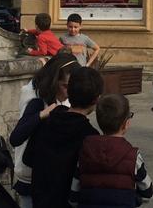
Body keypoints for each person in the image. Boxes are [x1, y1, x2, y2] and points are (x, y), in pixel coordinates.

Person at [24, 67, 104, 208]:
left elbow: (28, 159)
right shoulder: (90, 136)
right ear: (96, 99)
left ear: (69, 91)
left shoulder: (47, 121)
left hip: (41, 200)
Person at [11, 54, 80, 205]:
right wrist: (42, 114)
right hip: (30, 175)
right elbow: (16, 137)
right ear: (54, 82)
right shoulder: (35, 100)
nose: (69, 92)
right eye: (65, 86)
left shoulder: (62, 97)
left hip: (52, 177)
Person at [70, 94, 153, 207]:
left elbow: (74, 193)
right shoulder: (133, 156)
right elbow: (147, 191)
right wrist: (134, 199)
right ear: (126, 124)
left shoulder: (85, 152)